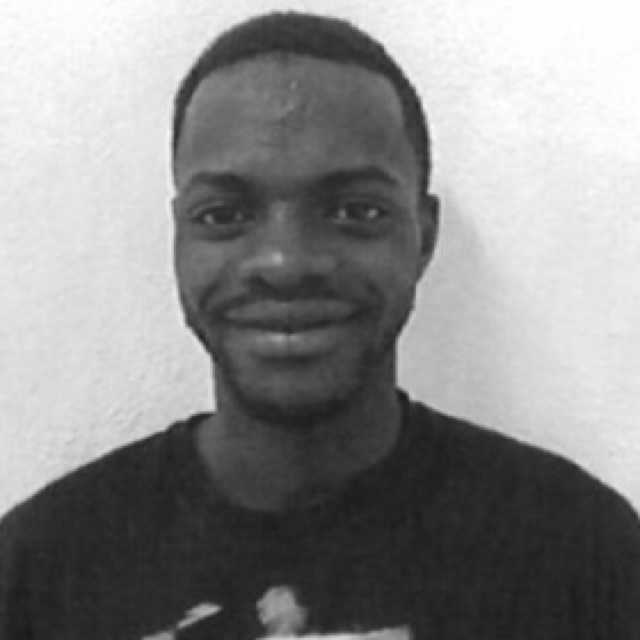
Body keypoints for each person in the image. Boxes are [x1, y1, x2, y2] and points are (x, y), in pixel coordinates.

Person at [1, 11, 638, 640]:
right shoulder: (37, 573)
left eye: (355, 210)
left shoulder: (582, 554)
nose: (285, 262)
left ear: (424, 237)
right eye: (223, 215)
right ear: (179, 238)